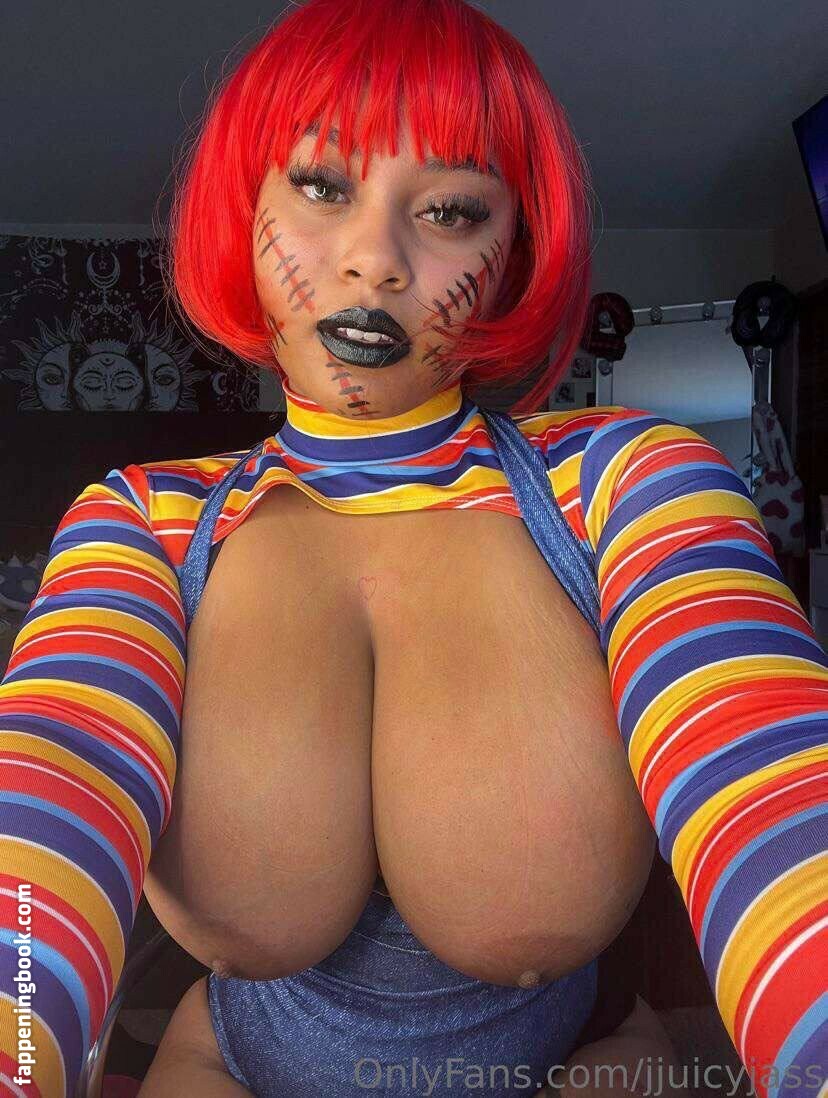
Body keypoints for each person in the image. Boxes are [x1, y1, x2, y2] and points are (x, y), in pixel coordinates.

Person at [1, 0, 826, 1095]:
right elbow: (55, 785)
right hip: (233, 1060)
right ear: (243, 204)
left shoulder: (625, 484)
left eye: (448, 209)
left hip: (577, 1057)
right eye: (321, 186)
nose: (374, 260)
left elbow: (769, 768)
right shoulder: (142, 520)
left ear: (513, 247)